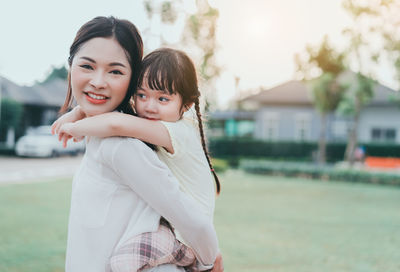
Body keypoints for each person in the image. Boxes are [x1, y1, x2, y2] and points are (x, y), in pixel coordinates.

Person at [52, 16, 219, 272]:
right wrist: (78, 112)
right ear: (70, 65)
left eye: (116, 71)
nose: (98, 81)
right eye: (87, 66)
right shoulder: (117, 136)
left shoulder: (123, 146)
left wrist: (209, 260)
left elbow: (194, 221)